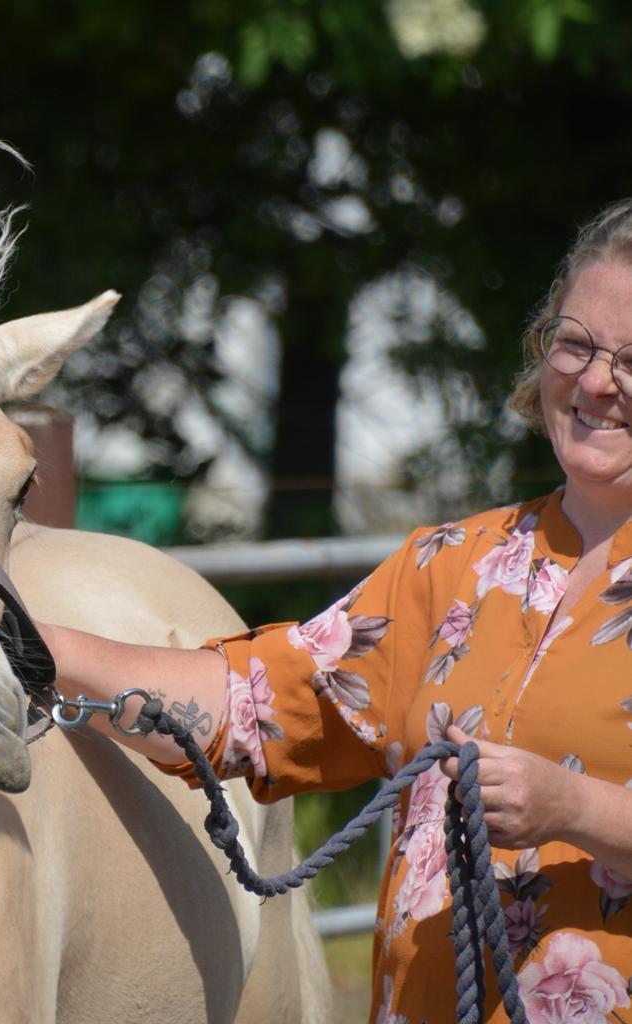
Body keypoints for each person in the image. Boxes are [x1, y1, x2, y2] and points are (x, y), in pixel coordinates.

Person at [37, 200, 632, 1022]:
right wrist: (39, 646)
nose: (597, 382)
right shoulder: (450, 566)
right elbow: (249, 702)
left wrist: (577, 811)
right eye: (577, 344)